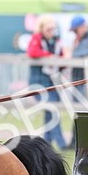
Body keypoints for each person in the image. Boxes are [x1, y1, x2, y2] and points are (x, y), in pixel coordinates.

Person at [27, 15, 68, 149]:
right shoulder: (36, 39)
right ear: (42, 29)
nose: (51, 32)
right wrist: (49, 56)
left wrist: (62, 60)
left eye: (53, 29)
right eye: (48, 29)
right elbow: (32, 52)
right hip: (39, 81)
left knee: (51, 109)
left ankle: (47, 143)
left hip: (52, 81)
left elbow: (62, 59)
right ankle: (60, 143)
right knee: (52, 109)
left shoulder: (56, 42)